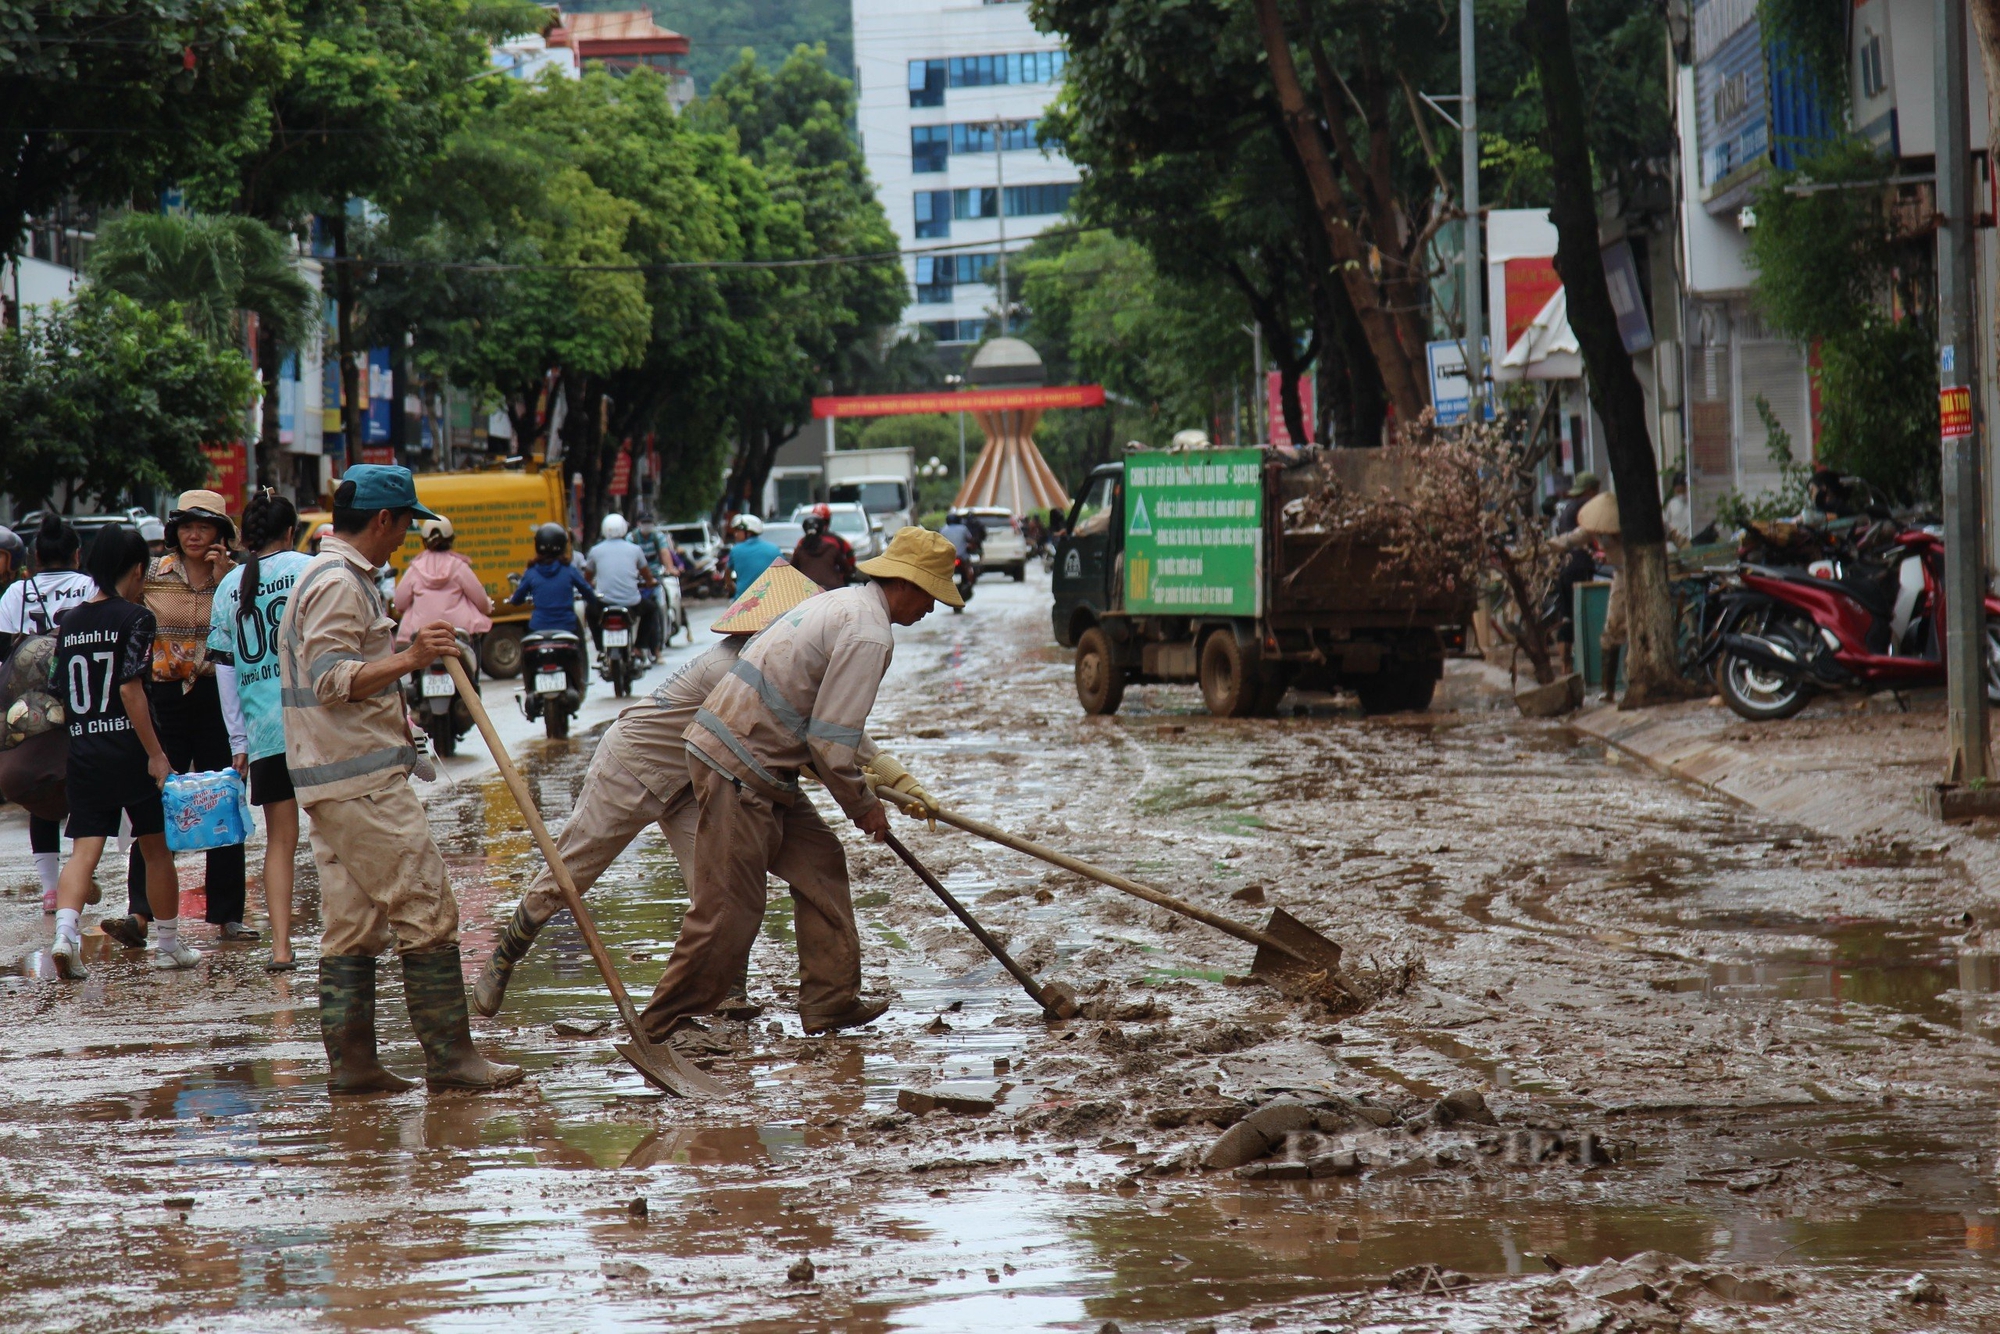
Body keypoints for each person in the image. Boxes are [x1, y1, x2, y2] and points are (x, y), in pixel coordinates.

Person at [474, 558, 937, 1017]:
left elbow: (823, 719)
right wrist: (860, 791)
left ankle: (729, 995)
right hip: (638, 763)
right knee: (573, 871)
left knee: (718, 888)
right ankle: (505, 956)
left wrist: (886, 770)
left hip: (702, 774)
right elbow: (791, 736)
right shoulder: (733, 663)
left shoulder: (775, 654)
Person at [637, 527, 962, 1040]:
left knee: (821, 863)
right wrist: (865, 805)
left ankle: (829, 1000)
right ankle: (658, 1024)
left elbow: (822, 720)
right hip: (739, 765)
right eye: (932, 594)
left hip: (760, 763)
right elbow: (830, 749)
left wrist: (890, 773)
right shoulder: (869, 633)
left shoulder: (845, 604)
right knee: (730, 910)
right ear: (907, 583)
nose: (933, 608)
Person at [279, 465, 522, 1094]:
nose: (406, 537)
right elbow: (333, 680)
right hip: (356, 784)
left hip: (334, 778)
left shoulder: (336, 576)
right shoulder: (337, 583)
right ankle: (451, 1059)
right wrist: (410, 657)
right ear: (383, 520)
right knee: (427, 904)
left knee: (354, 926)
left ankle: (354, 1067)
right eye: (405, 523)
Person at [101, 491, 254, 953]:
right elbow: (123, 611)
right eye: (187, 525)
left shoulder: (239, 578)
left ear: (220, 535)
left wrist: (231, 582)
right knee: (154, 799)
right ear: (174, 531)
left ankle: (227, 915)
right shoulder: (151, 575)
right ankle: (141, 912)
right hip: (163, 696)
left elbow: (247, 631)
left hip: (216, 695)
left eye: (204, 527)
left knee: (225, 799)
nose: (194, 534)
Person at [46, 527, 192, 979]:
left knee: (83, 851)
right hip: (129, 749)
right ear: (135, 570)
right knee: (156, 848)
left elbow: (58, 688)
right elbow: (132, 690)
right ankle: (167, 944)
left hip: (85, 751)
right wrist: (156, 754)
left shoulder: (69, 621)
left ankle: (65, 937)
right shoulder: (136, 618)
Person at [208, 491, 312, 971]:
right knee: (338, 836)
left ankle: (281, 948)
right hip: (317, 724)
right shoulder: (311, 571)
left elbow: (226, 674)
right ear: (290, 531)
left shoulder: (228, 587)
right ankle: (352, 939)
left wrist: (239, 743)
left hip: (266, 732)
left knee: (280, 842)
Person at [0, 518, 93, 912]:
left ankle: (52, 890)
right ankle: (80, 875)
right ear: (77, 554)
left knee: (40, 796)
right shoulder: (89, 587)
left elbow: (3, 654)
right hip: (79, 702)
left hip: (30, 710)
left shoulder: (16, 593)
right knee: (83, 790)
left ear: (36, 558)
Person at [510, 522, 600, 690]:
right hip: (567, 626)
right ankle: (581, 682)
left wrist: (516, 599)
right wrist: (594, 599)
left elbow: (516, 599)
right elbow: (587, 591)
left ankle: (529, 687)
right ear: (562, 546)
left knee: (526, 653)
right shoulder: (569, 570)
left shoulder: (531, 572)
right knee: (579, 648)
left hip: (538, 628)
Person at [393, 516, 494, 667]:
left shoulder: (415, 569)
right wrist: (487, 607)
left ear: (424, 539)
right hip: (458, 634)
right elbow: (480, 599)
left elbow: (399, 602)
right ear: (451, 538)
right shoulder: (459, 566)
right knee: (472, 669)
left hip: (422, 634)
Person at [1554, 491, 1625, 702]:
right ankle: (1608, 689)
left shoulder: (1632, 524)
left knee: (1636, 631)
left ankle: (1633, 682)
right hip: (1620, 577)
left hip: (1638, 574)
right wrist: (1539, 549)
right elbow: (1568, 540)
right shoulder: (1594, 530)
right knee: (1611, 631)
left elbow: (1670, 533)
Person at [585, 512, 658, 667]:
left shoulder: (595, 551)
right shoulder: (635, 549)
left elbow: (587, 578)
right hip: (631, 602)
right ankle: (639, 647)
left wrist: (591, 585)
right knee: (651, 609)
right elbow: (647, 575)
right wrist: (651, 582)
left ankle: (600, 647)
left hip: (604, 602)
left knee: (590, 612)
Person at [789, 503, 855, 592]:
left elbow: (793, 569)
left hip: (807, 590)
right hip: (833, 588)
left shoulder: (801, 545)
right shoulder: (836, 542)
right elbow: (849, 561)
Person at [727, 515, 779, 593]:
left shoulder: (735, 550)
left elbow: (727, 575)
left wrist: (731, 587)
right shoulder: (774, 549)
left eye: (738, 531)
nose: (735, 534)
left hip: (744, 600)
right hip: (770, 598)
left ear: (748, 533)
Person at [1662, 473, 1692, 548]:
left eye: (1683, 491)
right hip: (1676, 541)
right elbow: (1667, 523)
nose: (1681, 494)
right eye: (1678, 492)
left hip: (1690, 539)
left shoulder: (1692, 504)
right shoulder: (1672, 504)